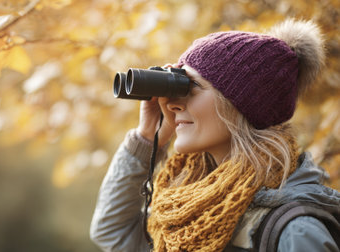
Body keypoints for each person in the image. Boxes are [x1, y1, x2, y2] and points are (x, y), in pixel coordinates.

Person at [90, 19, 340, 252]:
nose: (172, 104)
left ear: (242, 104)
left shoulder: (295, 232)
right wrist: (146, 137)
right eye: (177, 85)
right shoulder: (191, 213)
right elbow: (113, 232)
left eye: (192, 86)